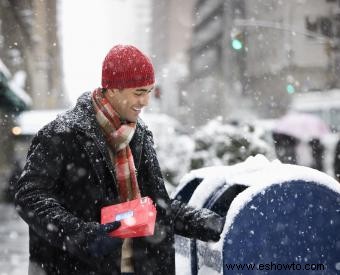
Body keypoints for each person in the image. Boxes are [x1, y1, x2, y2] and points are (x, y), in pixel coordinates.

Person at [14, 45, 225, 275]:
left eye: (149, 91)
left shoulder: (139, 135)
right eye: (139, 92)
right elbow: (30, 197)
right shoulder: (61, 134)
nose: (145, 101)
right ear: (112, 90)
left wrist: (202, 223)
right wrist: (83, 235)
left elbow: (155, 205)